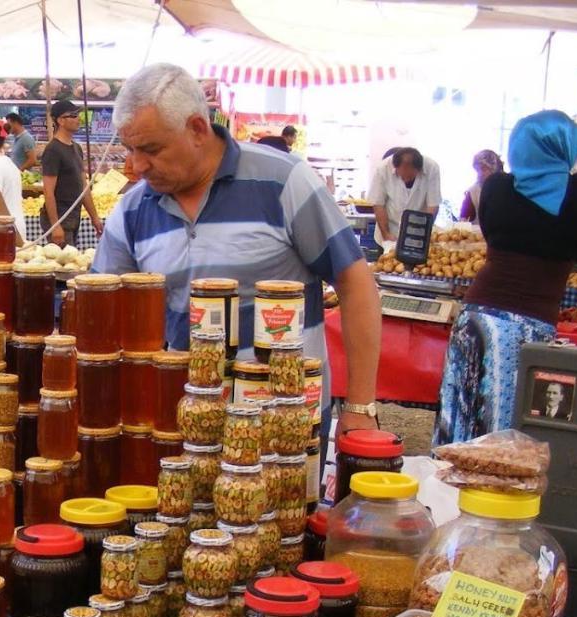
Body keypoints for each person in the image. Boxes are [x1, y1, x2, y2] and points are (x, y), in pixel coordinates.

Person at [92, 63, 382, 436]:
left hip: (284, 429)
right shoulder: (132, 210)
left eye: (151, 148)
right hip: (185, 428)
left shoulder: (282, 181)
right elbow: (104, 312)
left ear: (197, 128)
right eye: (130, 149)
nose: (137, 165)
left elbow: (355, 284)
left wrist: (359, 407)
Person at [436, 110, 577, 444]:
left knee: (465, 421)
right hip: (528, 327)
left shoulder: (496, 188)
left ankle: (449, 493)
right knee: (507, 436)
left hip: (476, 319)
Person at [42, 99, 104, 248]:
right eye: (73, 115)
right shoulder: (53, 150)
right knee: (63, 263)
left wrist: (94, 217)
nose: (78, 119)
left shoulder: (77, 148)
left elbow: (84, 187)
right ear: (61, 121)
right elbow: (48, 191)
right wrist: (55, 225)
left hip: (74, 217)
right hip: (61, 217)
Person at [369, 146, 440, 243]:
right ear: (395, 167)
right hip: (389, 229)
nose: (405, 180)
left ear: (418, 169)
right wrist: (386, 234)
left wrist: (424, 233)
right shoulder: (382, 169)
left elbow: (433, 204)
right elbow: (378, 204)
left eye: (409, 177)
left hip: (418, 231)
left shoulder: (432, 168)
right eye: (402, 176)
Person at [460, 150, 502, 223]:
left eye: (484, 169)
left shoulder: (510, 188)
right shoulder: (473, 192)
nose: (480, 174)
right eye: (477, 170)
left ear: (494, 168)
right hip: (479, 233)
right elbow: (463, 221)